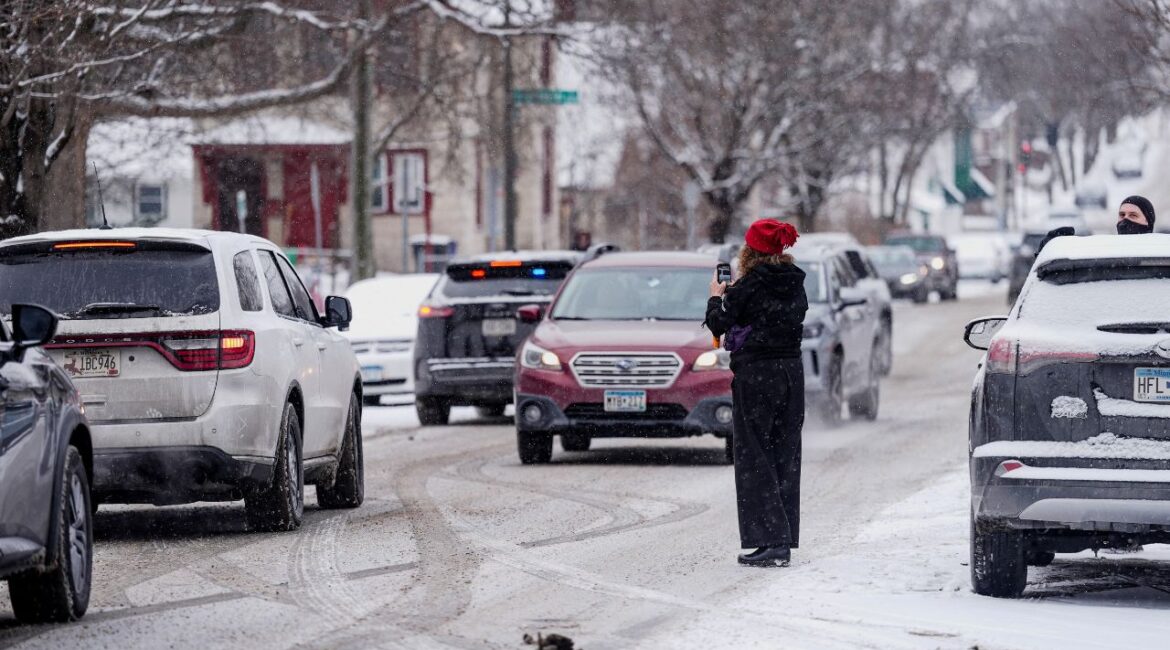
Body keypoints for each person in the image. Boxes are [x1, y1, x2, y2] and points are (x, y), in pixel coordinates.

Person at [704, 218, 808, 568]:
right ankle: (783, 538)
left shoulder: (749, 286)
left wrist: (716, 298)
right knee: (785, 453)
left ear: (750, 251)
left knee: (755, 455)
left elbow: (720, 324)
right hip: (792, 374)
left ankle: (770, 541)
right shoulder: (796, 284)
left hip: (757, 375)